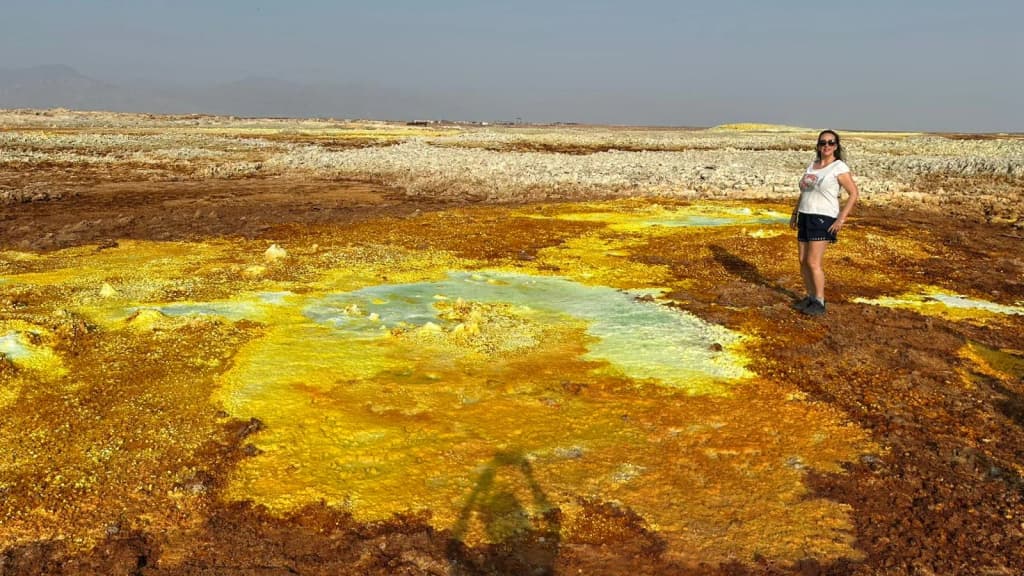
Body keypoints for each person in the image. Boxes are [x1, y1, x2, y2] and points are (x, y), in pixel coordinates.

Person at [789, 129, 860, 316]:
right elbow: (805, 191)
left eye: (830, 143)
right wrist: (795, 213)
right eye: (823, 143)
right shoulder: (812, 166)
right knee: (802, 261)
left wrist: (841, 219)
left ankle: (820, 300)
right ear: (818, 145)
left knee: (813, 262)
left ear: (836, 146)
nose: (826, 146)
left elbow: (854, 193)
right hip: (805, 214)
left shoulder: (839, 167)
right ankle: (810, 297)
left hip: (823, 217)